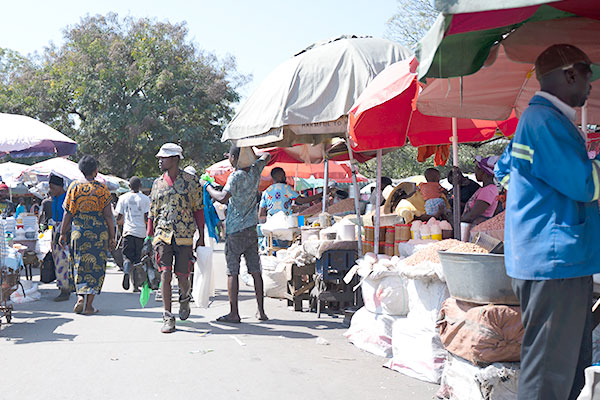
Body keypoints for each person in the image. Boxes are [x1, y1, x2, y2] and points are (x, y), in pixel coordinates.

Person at [495, 44, 597, 400]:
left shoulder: (542, 121)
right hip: (555, 261)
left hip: (559, 258)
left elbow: (504, 171)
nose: (591, 85)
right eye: (588, 75)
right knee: (548, 376)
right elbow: (585, 185)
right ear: (570, 74)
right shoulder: (545, 122)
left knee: (568, 368)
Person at [201, 145, 270, 323]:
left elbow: (223, 197)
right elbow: (267, 156)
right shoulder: (255, 171)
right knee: (255, 270)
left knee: (233, 271)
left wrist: (207, 186)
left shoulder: (236, 176)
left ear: (235, 158)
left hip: (235, 230)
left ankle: (234, 313)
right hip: (251, 229)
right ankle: (261, 311)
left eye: (231, 157)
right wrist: (250, 152)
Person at [147, 143, 205, 334]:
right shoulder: (157, 183)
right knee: (165, 273)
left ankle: (184, 297)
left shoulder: (191, 181)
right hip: (162, 234)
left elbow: (198, 210)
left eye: (163, 158)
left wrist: (201, 237)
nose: (160, 161)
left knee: (183, 275)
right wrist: (148, 238)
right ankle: (167, 316)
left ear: (174, 159)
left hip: (184, 235)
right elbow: (152, 212)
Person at [59, 155, 116, 314]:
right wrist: (112, 236)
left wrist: (62, 233)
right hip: (98, 233)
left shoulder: (74, 187)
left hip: (79, 231)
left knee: (79, 264)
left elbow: (68, 213)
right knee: (96, 266)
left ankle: (80, 297)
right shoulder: (102, 189)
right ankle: (89, 305)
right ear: (96, 171)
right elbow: (108, 216)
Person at [115, 176, 150, 292]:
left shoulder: (123, 198)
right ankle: (135, 286)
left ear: (129, 186)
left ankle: (126, 271)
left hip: (128, 232)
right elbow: (146, 218)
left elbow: (119, 217)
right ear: (140, 186)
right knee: (137, 260)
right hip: (140, 233)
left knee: (127, 257)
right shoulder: (145, 199)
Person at [48, 174, 73, 302]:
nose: (51, 190)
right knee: (57, 260)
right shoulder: (55, 198)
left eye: (52, 187)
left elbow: (69, 216)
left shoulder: (66, 198)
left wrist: (63, 231)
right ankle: (62, 286)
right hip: (55, 230)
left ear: (59, 187)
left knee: (63, 261)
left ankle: (65, 289)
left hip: (64, 232)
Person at [461, 156, 499, 225]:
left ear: (483, 171)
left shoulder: (488, 190)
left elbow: (472, 215)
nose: (475, 172)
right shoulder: (483, 189)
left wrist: (457, 223)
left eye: (476, 169)